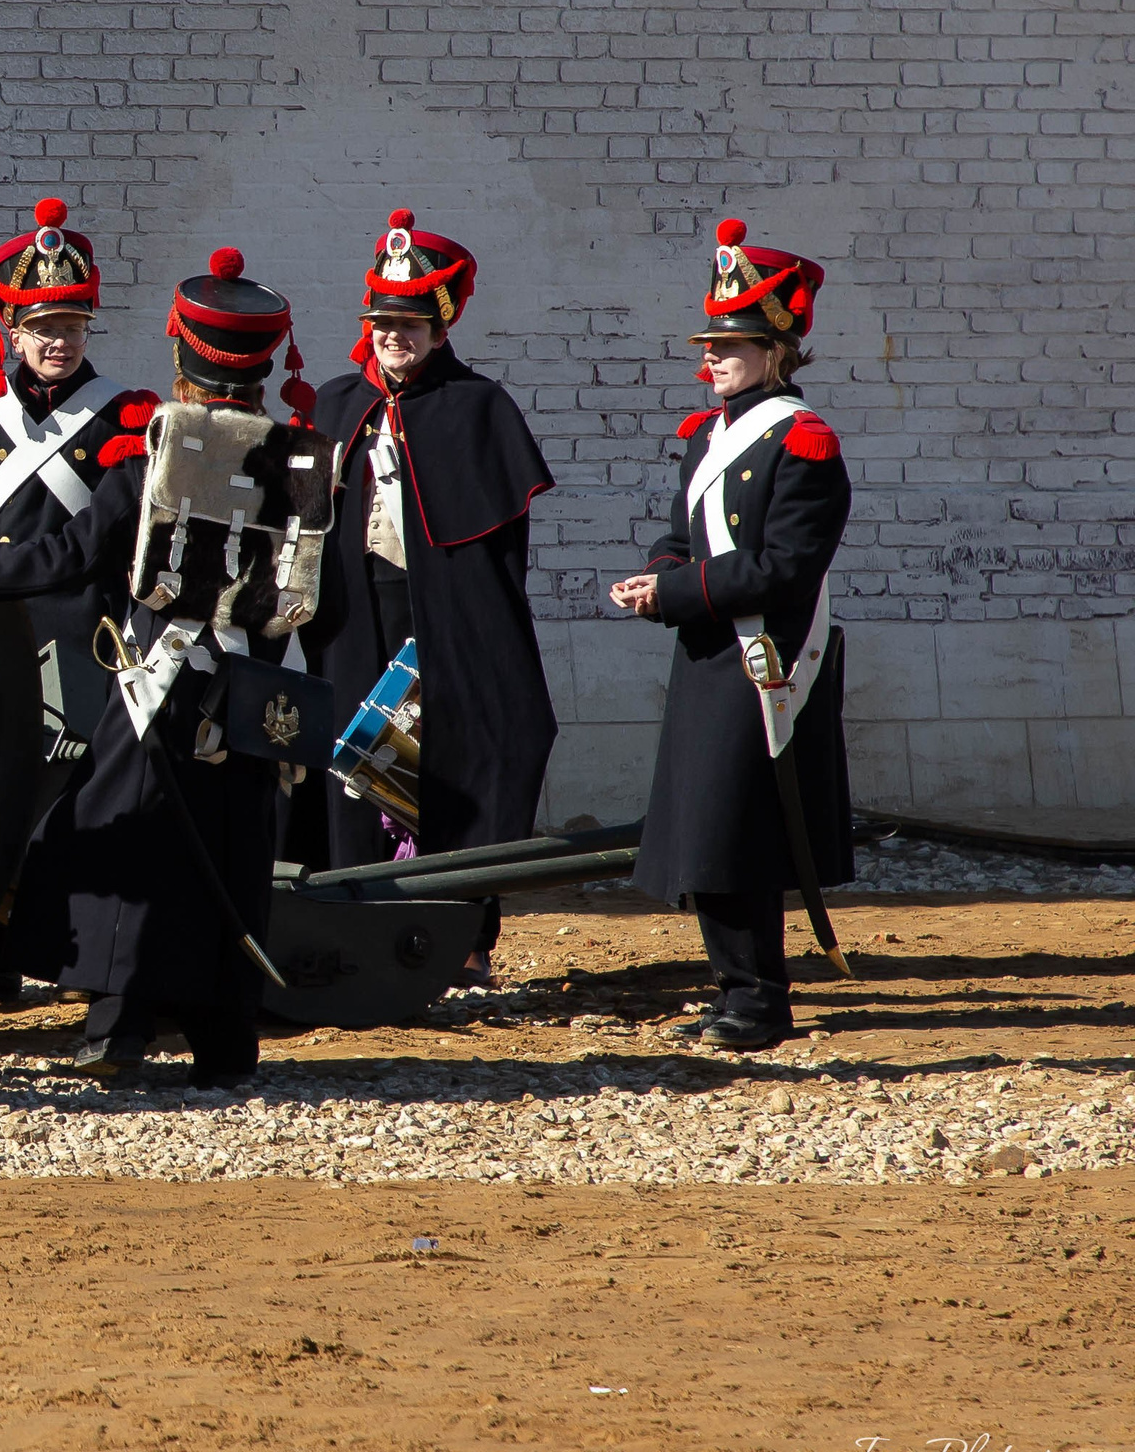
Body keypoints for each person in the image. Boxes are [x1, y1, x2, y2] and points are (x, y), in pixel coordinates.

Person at [0, 248, 322, 1088]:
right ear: (265, 360)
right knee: (232, 852)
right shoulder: (307, 459)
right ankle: (223, 1041)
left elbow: (75, 552)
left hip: (159, 683)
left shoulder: (156, 448)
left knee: (124, 843)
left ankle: (118, 1026)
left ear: (183, 352)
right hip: (252, 694)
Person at [0, 196, 159, 1002]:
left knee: (73, 802)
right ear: (12, 331)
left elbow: (96, 550)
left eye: (73, 327)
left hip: (80, 634)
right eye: (42, 327)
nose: (59, 342)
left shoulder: (124, 415)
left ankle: (82, 957)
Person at [610, 219, 852, 1051]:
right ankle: (734, 991)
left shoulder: (802, 439)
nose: (710, 358)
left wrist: (679, 590)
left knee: (737, 834)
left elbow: (786, 566)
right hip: (708, 646)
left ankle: (757, 1001)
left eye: (731, 343)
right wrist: (658, 576)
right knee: (707, 831)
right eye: (711, 342)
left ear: (776, 350)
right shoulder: (708, 437)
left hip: (765, 655)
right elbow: (685, 536)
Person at [297, 209, 555, 987]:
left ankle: (460, 931)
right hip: (353, 610)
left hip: (441, 611)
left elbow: (499, 551)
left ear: (440, 328)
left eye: (409, 324)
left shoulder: (480, 407)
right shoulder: (338, 403)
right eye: (381, 322)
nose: (392, 336)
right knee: (351, 758)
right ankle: (354, 916)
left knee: (453, 757)